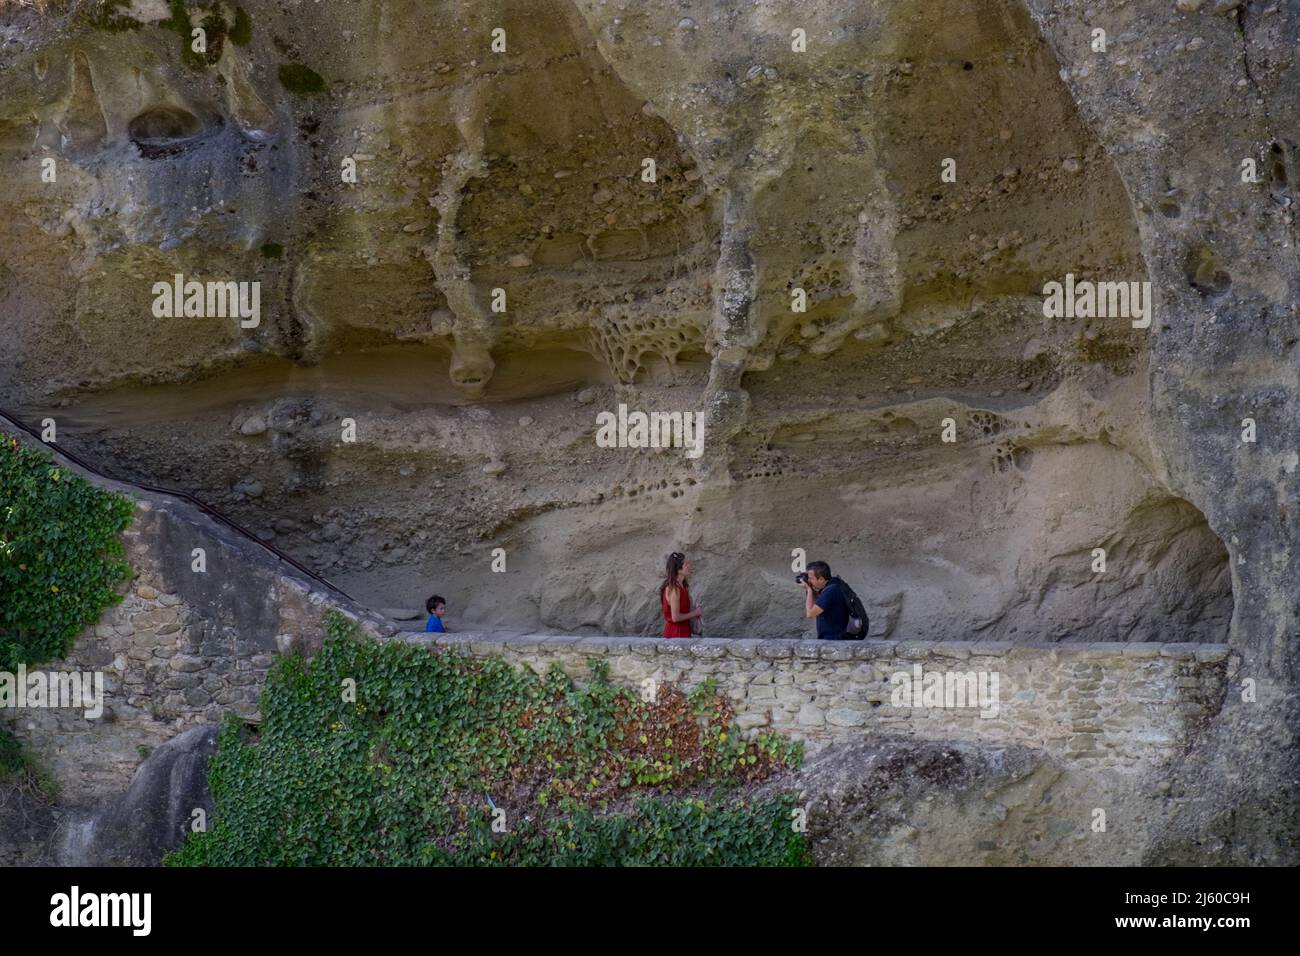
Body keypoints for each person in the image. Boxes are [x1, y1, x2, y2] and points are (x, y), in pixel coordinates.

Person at [799, 561, 850, 640]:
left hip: (833, 640)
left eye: (811, 578)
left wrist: (809, 590)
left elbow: (810, 613)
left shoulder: (831, 591)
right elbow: (817, 604)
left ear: (821, 579)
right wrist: (811, 589)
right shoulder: (833, 585)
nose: (808, 581)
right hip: (835, 638)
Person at [660, 551, 703, 638]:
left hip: (684, 632)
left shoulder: (683, 586)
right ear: (678, 569)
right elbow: (675, 618)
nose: (688, 566)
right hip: (675, 634)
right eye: (686, 564)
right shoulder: (674, 589)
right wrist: (695, 612)